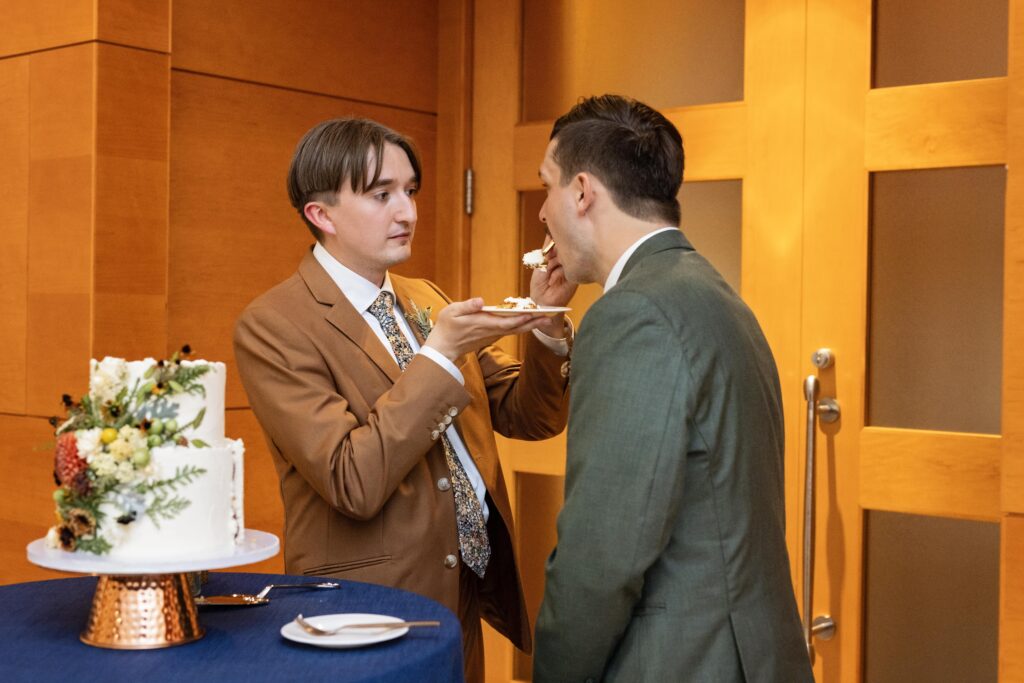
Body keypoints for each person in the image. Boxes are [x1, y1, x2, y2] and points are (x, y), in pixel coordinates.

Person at [233, 117, 574, 682]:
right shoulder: (274, 325)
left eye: (410, 190)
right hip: (361, 606)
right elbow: (352, 481)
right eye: (381, 194)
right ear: (321, 215)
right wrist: (439, 356)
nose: (408, 211)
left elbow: (528, 415)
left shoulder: (424, 297)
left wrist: (546, 325)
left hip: (462, 588)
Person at [532, 95, 813, 682]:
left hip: (682, 660)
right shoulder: (711, 293)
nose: (542, 214)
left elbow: (601, 558)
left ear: (582, 191)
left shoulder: (633, 311)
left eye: (546, 188)